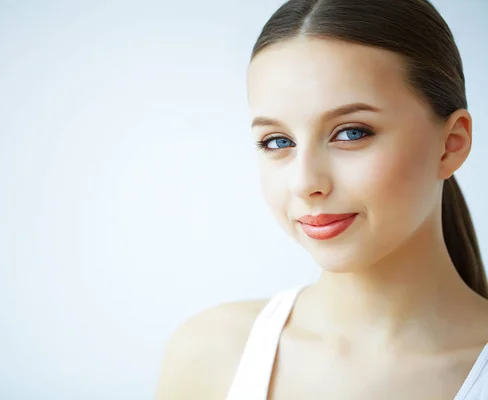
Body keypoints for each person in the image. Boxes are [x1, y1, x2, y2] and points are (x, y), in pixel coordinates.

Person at [155, 0, 488, 398]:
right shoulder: (210, 354)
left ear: (451, 145)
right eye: (277, 141)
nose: (305, 183)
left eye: (351, 133)